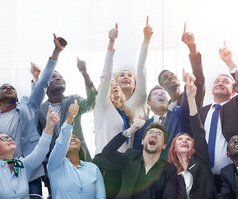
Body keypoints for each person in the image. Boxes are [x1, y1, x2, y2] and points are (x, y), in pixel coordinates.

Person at [0, 34, 66, 195]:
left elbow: (44, 81)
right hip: (8, 173)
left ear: (16, 96)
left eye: (11, 88)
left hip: (32, 169)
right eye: (4, 88)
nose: (9, 88)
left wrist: (56, 51)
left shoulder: (29, 105)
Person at [198, 42, 238, 192]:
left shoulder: (236, 104)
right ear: (211, 89)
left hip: (233, 175)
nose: (220, 83)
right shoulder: (201, 112)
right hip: (204, 177)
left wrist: (229, 63)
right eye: (217, 81)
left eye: (226, 82)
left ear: (234, 90)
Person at [0, 103, 60, 199]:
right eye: (3, 139)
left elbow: (40, 151)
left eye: (10, 137)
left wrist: (49, 126)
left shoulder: (21, 164)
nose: (9, 139)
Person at [96, 120, 177, 199]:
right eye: (150, 133)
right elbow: (107, 153)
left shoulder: (169, 169)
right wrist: (128, 132)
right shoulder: (130, 156)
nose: (154, 135)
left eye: (159, 134)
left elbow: (170, 198)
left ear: (164, 146)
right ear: (142, 141)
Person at [47, 101, 106, 199]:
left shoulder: (93, 168)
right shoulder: (55, 165)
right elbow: (60, 144)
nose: (73, 138)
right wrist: (70, 119)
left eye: (75, 137)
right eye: (70, 137)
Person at [168, 80, 216, 199]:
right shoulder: (170, 171)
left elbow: (198, 131)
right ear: (174, 148)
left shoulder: (201, 160)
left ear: (193, 147)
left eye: (188, 139)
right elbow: (167, 198)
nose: (184, 141)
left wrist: (190, 98)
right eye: (180, 139)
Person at [36, 57, 97, 162]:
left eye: (60, 76)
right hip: (56, 163)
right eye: (53, 77)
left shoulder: (74, 99)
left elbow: (92, 103)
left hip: (80, 158)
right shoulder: (40, 111)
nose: (59, 78)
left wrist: (85, 74)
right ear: (45, 84)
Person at [94, 23, 135, 154]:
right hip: (105, 163)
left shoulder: (124, 114)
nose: (114, 86)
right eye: (110, 86)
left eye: (116, 84)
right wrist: (111, 44)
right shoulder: (103, 106)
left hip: (123, 165)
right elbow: (106, 76)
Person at [133, 83, 190, 160]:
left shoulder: (179, 116)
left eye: (163, 93)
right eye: (155, 94)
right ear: (148, 103)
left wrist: (188, 84)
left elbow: (188, 100)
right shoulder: (142, 128)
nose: (160, 95)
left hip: (178, 168)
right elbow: (138, 154)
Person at [113, 16, 153, 119]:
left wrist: (146, 40)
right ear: (115, 83)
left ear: (135, 84)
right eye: (121, 75)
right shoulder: (111, 106)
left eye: (130, 76)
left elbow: (141, 68)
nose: (126, 77)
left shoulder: (140, 97)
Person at [158, 23, 205, 110]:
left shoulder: (191, 95)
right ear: (162, 87)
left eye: (172, 75)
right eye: (165, 78)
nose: (170, 77)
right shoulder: (165, 109)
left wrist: (191, 47)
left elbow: (199, 79)